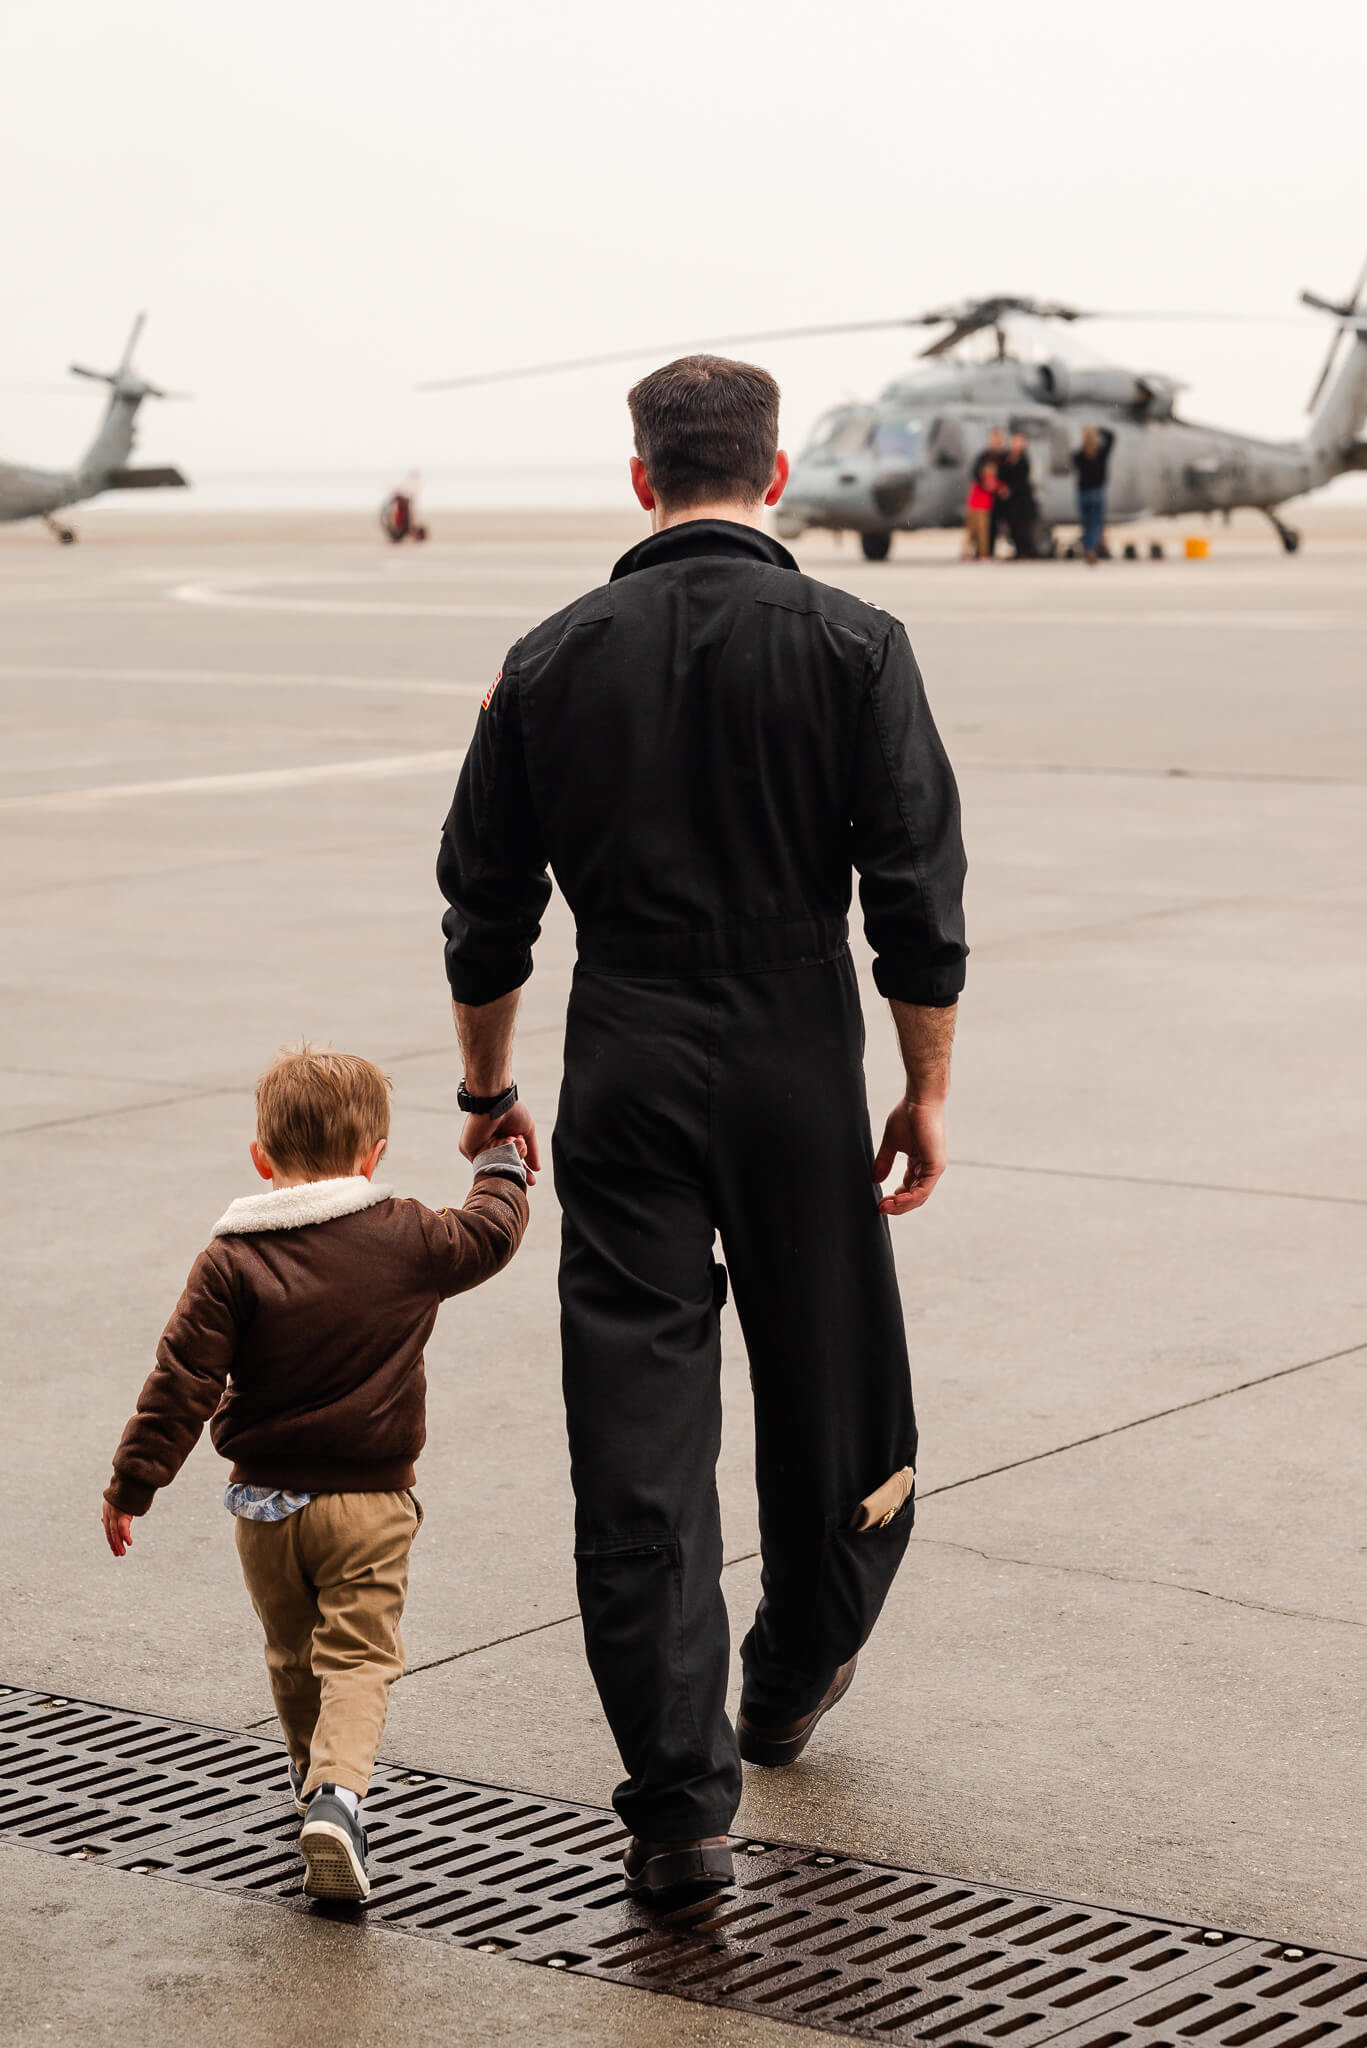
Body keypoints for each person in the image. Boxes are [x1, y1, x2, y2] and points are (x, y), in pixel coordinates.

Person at [436, 355, 967, 1902]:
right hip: (800, 1049)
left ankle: (678, 1806)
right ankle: (792, 1670)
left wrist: (486, 1096)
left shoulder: (546, 662)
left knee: (638, 1433)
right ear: (775, 476)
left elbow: (485, 918)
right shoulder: (857, 645)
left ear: (638, 479)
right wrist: (922, 1083)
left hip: (625, 1054)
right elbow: (913, 902)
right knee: (837, 1396)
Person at [99, 1044, 529, 1903]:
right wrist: (500, 1162)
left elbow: (181, 1380)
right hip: (368, 1503)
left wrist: (132, 1483)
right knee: (359, 1659)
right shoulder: (405, 1232)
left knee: (293, 1657)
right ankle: (339, 1797)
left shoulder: (230, 1257)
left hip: (264, 1509)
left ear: (262, 1159)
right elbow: (489, 1233)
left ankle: (311, 1792)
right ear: (373, 1157)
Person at [1072, 425, 1115, 564]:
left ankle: (1088, 548)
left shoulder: (1079, 456)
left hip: (1083, 494)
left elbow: (1072, 456)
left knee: (1086, 523)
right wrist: (1100, 429)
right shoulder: (1101, 454)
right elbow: (1111, 437)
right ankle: (1092, 550)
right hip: (1096, 493)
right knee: (1096, 524)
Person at [997, 432, 1037, 558]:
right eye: (1014, 441)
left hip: (1022, 499)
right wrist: (1003, 488)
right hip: (1010, 501)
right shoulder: (1006, 459)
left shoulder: (1024, 460)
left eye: (1019, 442)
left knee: (1023, 528)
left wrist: (1010, 489)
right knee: (1012, 527)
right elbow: (1002, 475)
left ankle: (1025, 551)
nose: (1016, 444)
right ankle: (1018, 550)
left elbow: (1022, 480)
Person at [970, 426, 1006, 555]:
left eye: (998, 439)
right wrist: (985, 484)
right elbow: (975, 474)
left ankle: (988, 552)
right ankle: (980, 552)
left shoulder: (1004, 457)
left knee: (993, 527)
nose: (996, 441)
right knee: (979, 529)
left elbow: (1005, 476)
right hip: (983, 499)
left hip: (997, 499)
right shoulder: (983, 457)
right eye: (994, 439)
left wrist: (1000, 487)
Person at [962, 458, 1002, 559]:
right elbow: (993, 487)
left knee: (975, 533)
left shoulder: (980, 480)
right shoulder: (984, 480)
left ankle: (977, 553)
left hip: (980, 509)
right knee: (979, 533)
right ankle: (981, 554)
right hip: (980, 509)